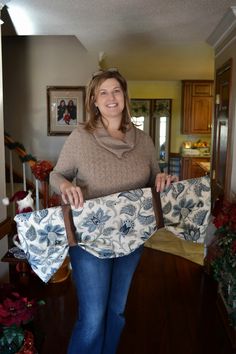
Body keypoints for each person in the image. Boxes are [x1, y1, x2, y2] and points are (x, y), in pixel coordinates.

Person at [50, 69, 177, 354]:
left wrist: (163, 181)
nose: (111, 97)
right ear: (94, 100)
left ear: (124, 96)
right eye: (103, 92)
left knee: (116, 313)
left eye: (116, 91)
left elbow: (153, 180)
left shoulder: (143, 140)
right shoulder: (81, 137)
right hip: (89, 242)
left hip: (132, 240)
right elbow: (56, 174)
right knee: (93, 319)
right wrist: (66, 185)